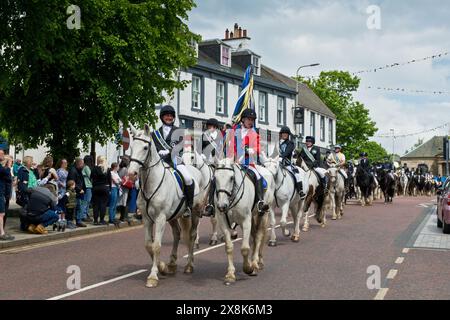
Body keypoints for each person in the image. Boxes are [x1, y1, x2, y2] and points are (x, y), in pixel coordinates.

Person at [151, 105, 195, 218]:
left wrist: (169, 151)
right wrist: (159, 152)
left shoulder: (179, 131)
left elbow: (181, 146)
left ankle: (188, 206)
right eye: (166, 115)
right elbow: (153, 147)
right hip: (160, 163)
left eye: (171, 116)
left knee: (188, 178)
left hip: (175, 161)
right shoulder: (155, 134)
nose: (169, 117)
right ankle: (142, 206)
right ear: (162, 117)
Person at [226, 108, 269, 215]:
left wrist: (252, 150)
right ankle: (212, 203)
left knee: (259, 178)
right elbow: (230, 146)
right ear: (243, 120)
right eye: (248, 119)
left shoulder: (254, 134)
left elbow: (258, 148)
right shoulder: (235, 132)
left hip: (248, 164)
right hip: (234, 162)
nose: (250, 121)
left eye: (252, 120)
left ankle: (259, 201)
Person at [202, 118, 224, 217]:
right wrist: (201, 155)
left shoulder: (220, 137)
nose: (211, 128)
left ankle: (211, 204)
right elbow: (199, 148)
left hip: (216, 164)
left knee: (215, 180)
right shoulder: (204, 136)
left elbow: (222, 150)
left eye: (213, 126)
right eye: (209, 126)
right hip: (206, 163)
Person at [279, 126, 306, 199]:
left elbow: (287, 152)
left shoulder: (290, 143)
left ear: (288, 135)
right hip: (279, 164)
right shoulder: (279, 144)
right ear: (281, 134)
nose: (284, 135)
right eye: (283, 133)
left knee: (297, 175)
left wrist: (281, 157)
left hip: (287, 164)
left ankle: (300, 191)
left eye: (286, 134)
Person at [91, 156, 110, 225]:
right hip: (105, 188)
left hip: (96, 188)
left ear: (98, 161)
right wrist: (109, 188)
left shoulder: (94, 169)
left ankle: (95, 220)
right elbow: (109, 180)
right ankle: (102, 220)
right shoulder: (107, 169)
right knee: (103, 205)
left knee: (95, 205)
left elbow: (91, 177)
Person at [67, 158, 86, 228]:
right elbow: (72, 183)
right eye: (82, 164)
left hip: (79, 192)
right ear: (79, 163)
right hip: (74, 193)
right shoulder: (73, 171)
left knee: (79, 207)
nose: (83, 165)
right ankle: (71, 222)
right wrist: (79, 189)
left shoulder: (78, 170)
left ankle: (78, 221)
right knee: (73, 208)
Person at [0, 151, 14, 241]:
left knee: (2, 213)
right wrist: (8, 165)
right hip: (1, 192)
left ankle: (2, 232)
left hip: (4, 193)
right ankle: (2, 233)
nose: (3, 155)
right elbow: (7, 177)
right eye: (1, 154)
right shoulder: (3, 169)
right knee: (1, 213)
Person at [116, 156, 130, 222]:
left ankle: (122, 216)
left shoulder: (120, 169)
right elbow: (127, 177)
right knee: (124, 201)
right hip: (125, 187)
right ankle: (123, 217)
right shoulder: (125, 169)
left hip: (121, 186)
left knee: (121, 201)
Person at [81, 155, 93, 222]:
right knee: (86, 201)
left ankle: (85, 215)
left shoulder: (84, 167)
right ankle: (84, 216)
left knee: (85, 201)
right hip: (88, 186)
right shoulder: (87, 167)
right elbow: (91, 176)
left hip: (86, 186)